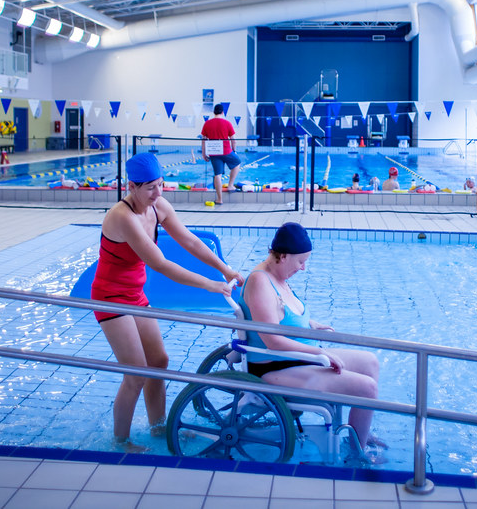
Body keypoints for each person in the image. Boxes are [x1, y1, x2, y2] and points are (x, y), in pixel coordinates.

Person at [93, 152, 243, 451]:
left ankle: (158, 427)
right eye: (150, 187)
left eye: (161, 184)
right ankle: (120, 440)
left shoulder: (157, 205)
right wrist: (211, 286)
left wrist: (223, 269)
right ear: (131, 187)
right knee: (136, 372)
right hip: (110, 298)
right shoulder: (122, 217)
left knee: (158, 361)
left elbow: (190, 240)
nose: (158, 193)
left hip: (135, 295)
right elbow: (161, 264)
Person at [240, 223, 386, 462]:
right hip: (274, 368)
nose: (304, 268)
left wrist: (310, 324)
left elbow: (284, 316)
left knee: (370, 363)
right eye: (300, 262)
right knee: (367, 389)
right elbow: (272, 339)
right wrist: (319, 352)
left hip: (297, 358)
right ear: (283, 256)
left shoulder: (277, 274)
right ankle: (357, 454)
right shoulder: (259, 282)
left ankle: (359, 435)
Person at [200, 103, 241, 205]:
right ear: (223, 112)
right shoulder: (227, 123)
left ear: (214, 112)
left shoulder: (207, 123)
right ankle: (230, 185)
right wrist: (234, 150)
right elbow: (233, 140)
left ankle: (219, 199)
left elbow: (203, 140)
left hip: (213, 152)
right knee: (237, 162)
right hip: (226, 150)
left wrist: (204, 153)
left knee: (217, 175)